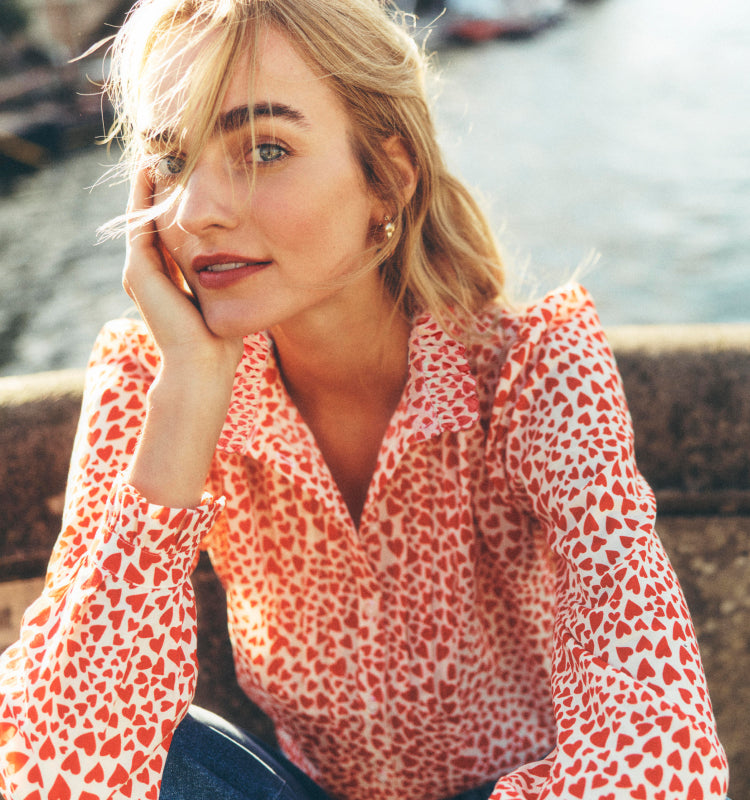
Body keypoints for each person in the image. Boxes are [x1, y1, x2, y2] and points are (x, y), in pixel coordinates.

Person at [0, 0, 730, 798]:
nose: (196, 209)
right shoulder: (154, 377)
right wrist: (192, 388)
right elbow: (47, 765)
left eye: (265, 148)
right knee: (115, 730)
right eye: (172, 161)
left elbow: (669, 752)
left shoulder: (531, 368)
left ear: (387, 179)